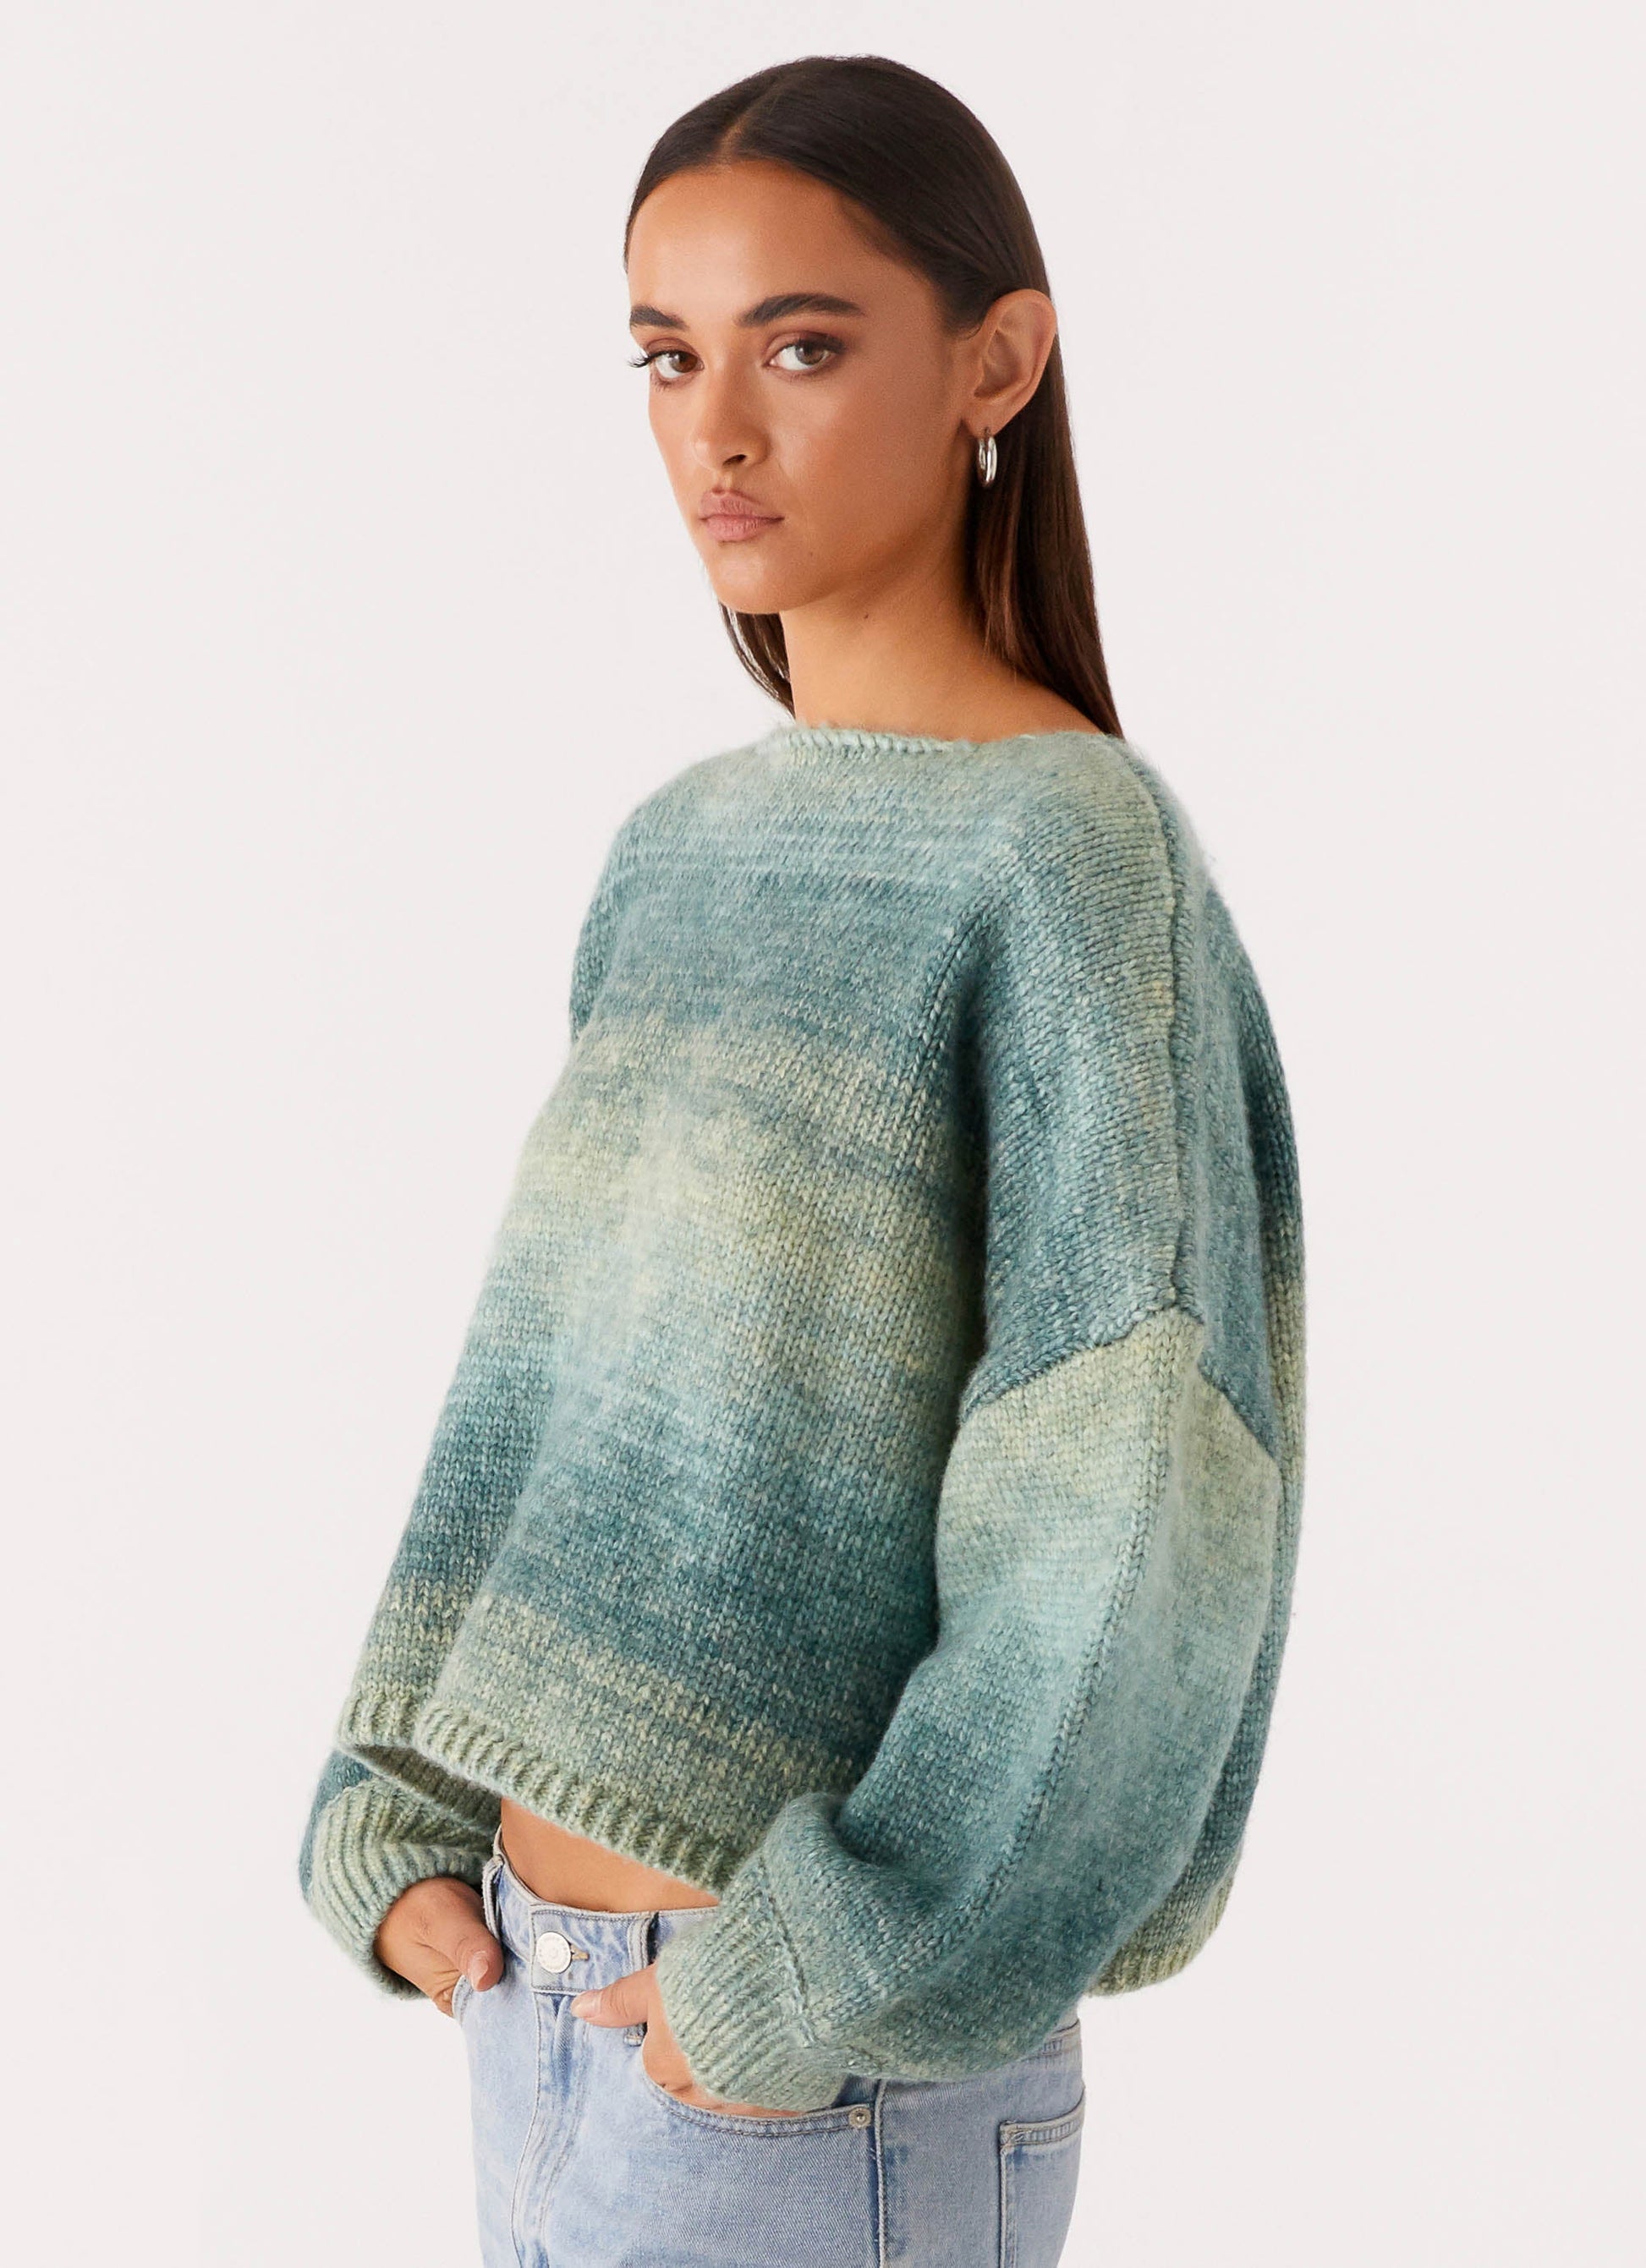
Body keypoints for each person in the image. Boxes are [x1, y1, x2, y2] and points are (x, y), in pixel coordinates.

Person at [298, 52, 1306, 2268]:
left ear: (996, 363)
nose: (718, 432)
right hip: (541, 2017)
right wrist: (404, 1794)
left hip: (798, 2091)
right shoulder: (676, 850)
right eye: (669, 357)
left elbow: (1133, 1520)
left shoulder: (1069, 864)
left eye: (805, 346)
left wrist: (819, 1977)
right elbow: (566, 1384)